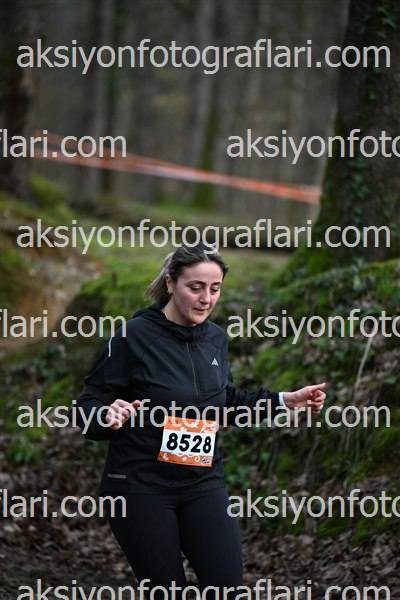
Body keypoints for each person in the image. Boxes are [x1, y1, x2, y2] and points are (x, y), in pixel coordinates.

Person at [76, 244, 326, 600]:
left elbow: (227, 402)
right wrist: (104, 415)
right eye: (195, 287)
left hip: (202, 483)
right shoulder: (133, 336)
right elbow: (89, 402)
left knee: (228, 591)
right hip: (140, 488)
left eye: (215, 288)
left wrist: (284, 401)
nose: (206, 299)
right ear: (170, 283)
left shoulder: (215, 339)